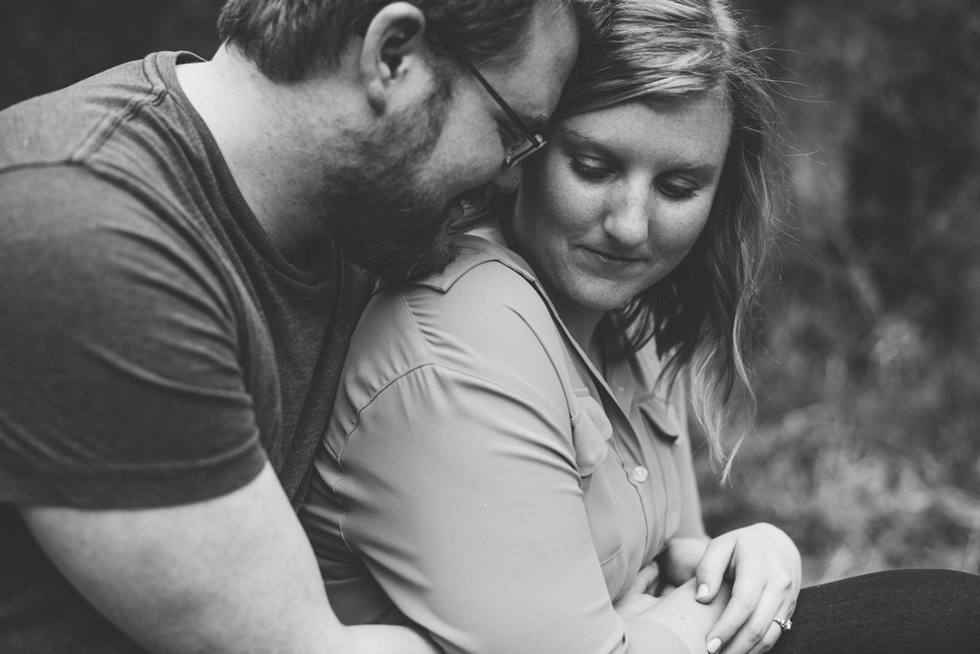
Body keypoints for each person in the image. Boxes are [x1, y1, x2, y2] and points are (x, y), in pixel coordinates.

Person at [300, 0, 980, 653]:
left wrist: (754, 552)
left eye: (679, 188)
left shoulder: (628, 321)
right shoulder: (465, 338)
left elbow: (667, 561)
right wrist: (702, 602)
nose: (630, 225)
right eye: (592, 168)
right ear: (523, 148)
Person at [0, 0, 596, 652]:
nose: (513, 181)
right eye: (512, 133)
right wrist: (677, 628)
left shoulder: (356, 213)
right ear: (391, 55)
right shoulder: (87, 242)